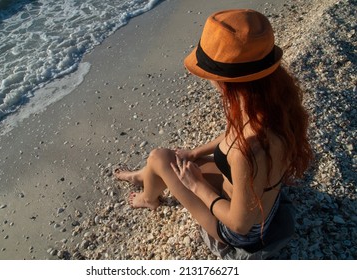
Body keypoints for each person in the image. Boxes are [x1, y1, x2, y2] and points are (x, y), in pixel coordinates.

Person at [115, 9, 312, 253]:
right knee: (174, 160)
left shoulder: (248, 151)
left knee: (159, 157)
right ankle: (142, 176)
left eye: (208, 74)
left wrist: (197, 186)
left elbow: (240, 224)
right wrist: (196, 152)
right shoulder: (272, 105)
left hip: (238, 230)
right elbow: (233, 135)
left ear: (224, 82)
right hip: (258, 199)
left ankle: (148, 198)